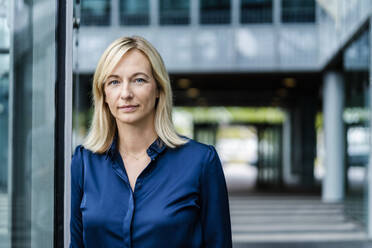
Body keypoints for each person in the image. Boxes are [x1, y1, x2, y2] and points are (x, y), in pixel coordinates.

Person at [70, 36, 232, 248]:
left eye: (139, 80)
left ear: (158, 89)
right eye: (114, 82)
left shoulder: (201, 161)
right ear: (104, 95)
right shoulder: (84, 162)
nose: (126, 93)